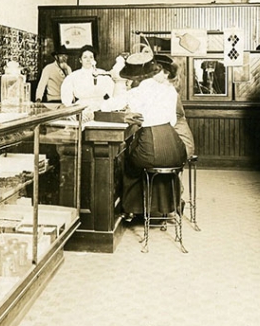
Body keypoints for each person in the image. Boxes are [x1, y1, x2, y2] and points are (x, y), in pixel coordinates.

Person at [116, 52, 188, 221]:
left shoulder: (139, 90)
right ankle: (168, 205)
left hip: (151, 146)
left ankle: (131, 209)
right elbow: (172, 119)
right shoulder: (171, 90)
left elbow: (115, 105)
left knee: (129, 161)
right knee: (157, 164)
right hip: (175, 150)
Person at [153, 54, 195, 159]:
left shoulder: (166, 91)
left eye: (153, 72)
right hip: (175, 143)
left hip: (180, 145)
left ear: (165, 74)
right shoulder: (163, 89)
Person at [59, 45, 114, 110]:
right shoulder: (73, 76)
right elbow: (66, 98)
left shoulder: (102, 74)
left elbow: (111, 90)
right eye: (85, 57)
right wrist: (70, 109)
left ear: (94, 59)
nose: (88, 60)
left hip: (102, 108)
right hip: (82, 109)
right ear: (80, 60)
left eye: (91, 57)